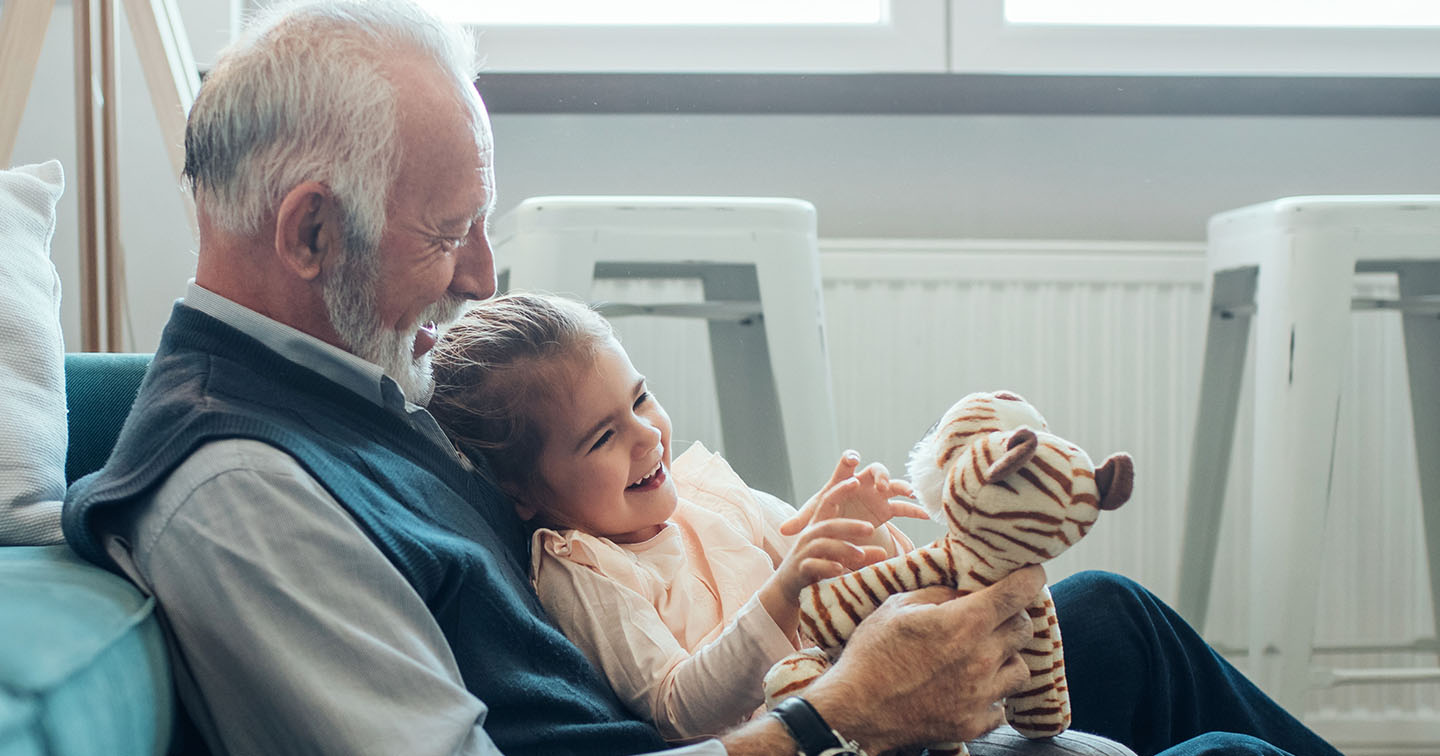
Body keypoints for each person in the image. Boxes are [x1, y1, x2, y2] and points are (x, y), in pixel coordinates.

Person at [60, 2, 1344, 756]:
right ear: (306, 235)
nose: (480, 276)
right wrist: (837, 714)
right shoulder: (239, 496)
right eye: (449, 233)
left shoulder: (352, 375)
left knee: (1107, 616)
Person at [426, 291, 934, 740]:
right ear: (521, 490)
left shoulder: (707, 496)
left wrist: (858, 532)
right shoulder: (583, 569)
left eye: (640, 399)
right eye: (603, 437)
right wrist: (783, 591)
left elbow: (844, 598)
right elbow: (676, 707)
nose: (646, 435)